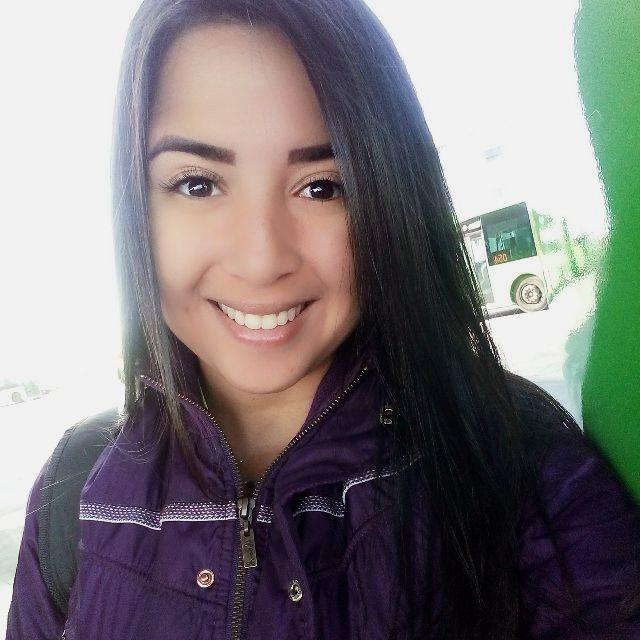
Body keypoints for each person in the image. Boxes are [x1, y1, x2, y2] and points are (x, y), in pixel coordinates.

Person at [6, 1, 640, 638]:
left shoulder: (522, 466)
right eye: (198, 184)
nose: (261, 261)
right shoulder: (78, 490)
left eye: (323, 187)